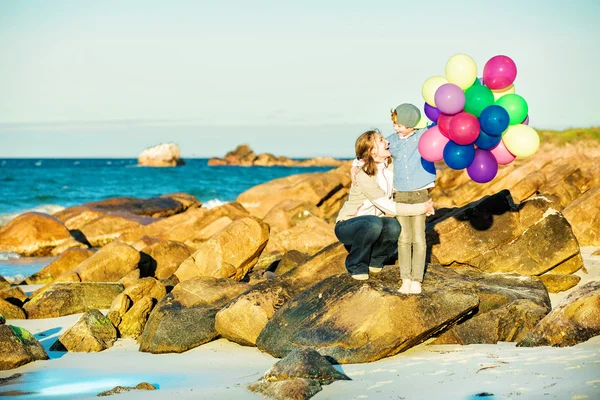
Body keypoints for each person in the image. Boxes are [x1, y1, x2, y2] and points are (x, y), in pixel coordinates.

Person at [351, 104, 436, 294]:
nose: (396, 128)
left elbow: (440, 129)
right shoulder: (392, 141)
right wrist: (356, 163)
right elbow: (369, 150)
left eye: (400, 125)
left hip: (420, 193)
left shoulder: (423, 136)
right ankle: (405, 278)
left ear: (411, 124)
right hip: (400, 195)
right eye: (394, 124)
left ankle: (417, 280)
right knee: (404, 238)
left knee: (419, 238)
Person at [336, 129, 434, 281]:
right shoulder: (363, 176)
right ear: (372, 150)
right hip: (348, 225)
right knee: (373, 223)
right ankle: (355, 264)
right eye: (381, 140)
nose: (387, 142)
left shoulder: (391, 165)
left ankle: (375, 260)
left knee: (394, 225)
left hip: (375, 224)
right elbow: (389, 207)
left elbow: (409, 154)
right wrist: (421, 208)